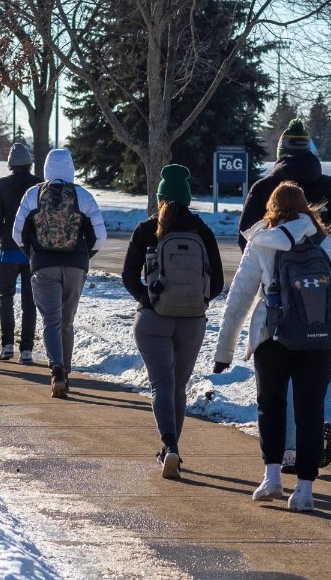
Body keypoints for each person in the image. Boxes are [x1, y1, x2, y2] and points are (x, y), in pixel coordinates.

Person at [213, 181, 331, 511]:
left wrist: (224, 352)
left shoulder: (261, 240)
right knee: (310, 411)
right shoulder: (320, 239)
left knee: (271, 404)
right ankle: (305, 490)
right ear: (305, 205)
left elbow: (239, 298)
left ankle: (272, 477)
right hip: (320, 339)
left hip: (273, 336)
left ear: (272, 206)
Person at [238, 118, 331, 473]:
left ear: (279, 153)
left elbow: (245, 241)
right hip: (324, 299)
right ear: (309, 150)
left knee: (278, 381)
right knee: (319, 373)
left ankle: (288, 450)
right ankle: (319, 431)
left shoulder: (263, 190)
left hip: (277, 300)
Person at [122, 164, 224, 479]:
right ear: (188, 198)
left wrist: (147, 299)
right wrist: (198, 301)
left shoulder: (145, 229)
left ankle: (169, 446)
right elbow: (218, 282)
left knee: (161, 385)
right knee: (178, 386)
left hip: (154, 319)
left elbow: (128, 276)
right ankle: (173, 449)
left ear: (160, 197)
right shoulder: (202, 231)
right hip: (192, 321)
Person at [12, 148, 107, 397]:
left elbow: (17, 233)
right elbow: (100, 236)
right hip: (76, 266)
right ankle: (67, 371)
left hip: (44, 266)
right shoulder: (83, 196)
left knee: (51, 322)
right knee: (67, 322)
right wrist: (84, 257)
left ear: (46, 169)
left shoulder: (33, 195)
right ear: (72, 169)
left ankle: (56, 370)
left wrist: (32, 255)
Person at [0, 143, 40, 363]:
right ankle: (26, 349)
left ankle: (7, 345)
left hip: (8, 250)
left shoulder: (1, 185)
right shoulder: (38, 185)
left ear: (10, 164)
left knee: (5, 298)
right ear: (29, 163)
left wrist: (3, 238)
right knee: (30, 301)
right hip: (32, 252)